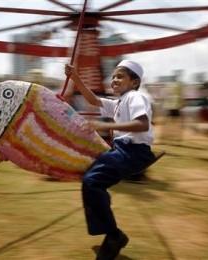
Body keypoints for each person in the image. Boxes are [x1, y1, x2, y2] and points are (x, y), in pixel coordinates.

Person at [65, 60, 155, 260]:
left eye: (120, 76)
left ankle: (113, 236)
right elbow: (93, 100)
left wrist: (104, 127)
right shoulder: (118, 102)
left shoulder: (135, 97)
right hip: (122, 150)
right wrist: (75, 77)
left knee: (92, 181)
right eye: (113, 76)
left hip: (134, 151)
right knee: (89, 179)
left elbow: (142, 124)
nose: (114, 80)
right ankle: (112, 234)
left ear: (134, 82)